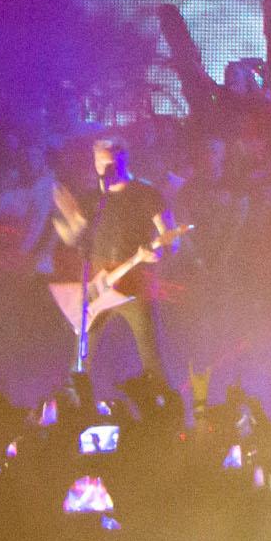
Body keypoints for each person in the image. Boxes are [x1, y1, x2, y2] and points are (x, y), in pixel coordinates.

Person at [46, 135, 177, 399]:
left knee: (150, 354)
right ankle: (74, 406)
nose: (103, 169)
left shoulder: (146, 194)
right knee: (82, 354)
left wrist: (158, 251)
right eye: (99, 163)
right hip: (99, 284)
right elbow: (73, 236)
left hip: (134, 285)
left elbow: (172, 239)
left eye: (109, 164)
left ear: (123, 161)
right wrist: (66, 219)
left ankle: (164, 407)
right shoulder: (94, 198)